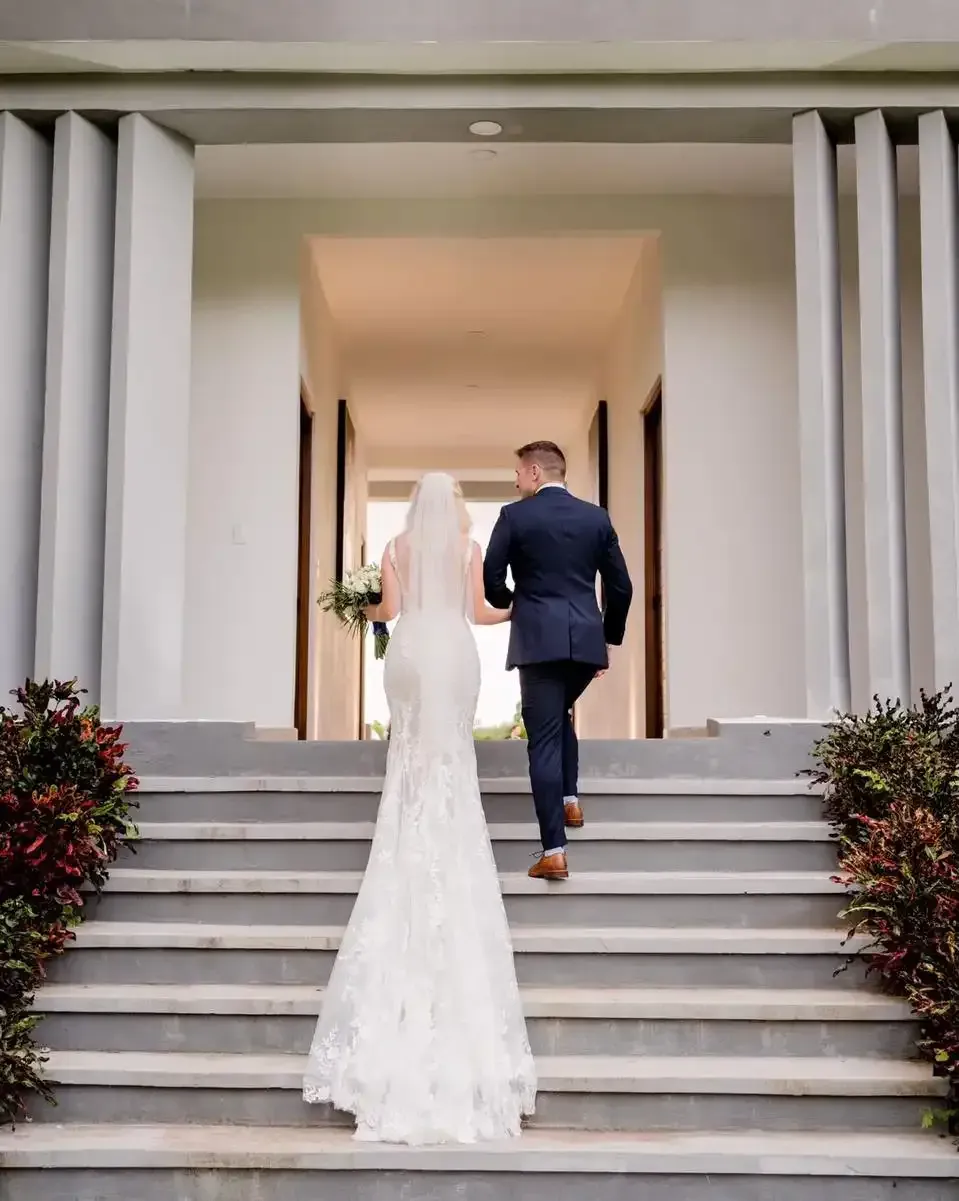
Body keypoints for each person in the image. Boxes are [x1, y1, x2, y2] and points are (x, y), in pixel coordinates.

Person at [302, 472, 536, 1144]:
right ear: (456, 505)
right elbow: (481, 613)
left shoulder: (397, 544)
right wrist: (523, 605)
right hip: (451, 651)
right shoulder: (467, 544)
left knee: (410, 749)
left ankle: (408, 823)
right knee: (448, 753)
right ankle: (445, 819)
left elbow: (385, 611)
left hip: (408, 652)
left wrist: (361, 601)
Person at [483, 441, 633, 881]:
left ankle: (553, 851)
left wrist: (517, 603)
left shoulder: (515, 516)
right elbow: (621, 587)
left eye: (517, 473)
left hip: (538, 642)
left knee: (543, 737)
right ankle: (569, 799)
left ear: (533, 472)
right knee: (558, 716)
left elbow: (492, 579)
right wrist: (608, 637)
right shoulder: (596, 517)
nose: (515, 481)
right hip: (585, 643)